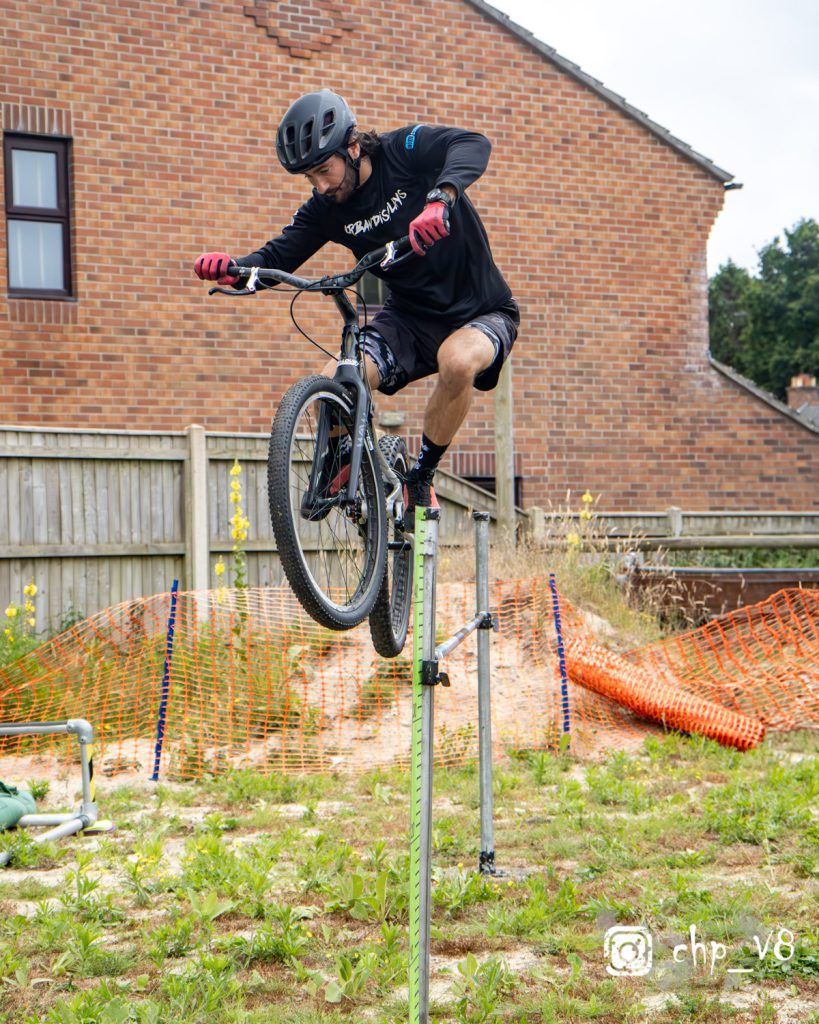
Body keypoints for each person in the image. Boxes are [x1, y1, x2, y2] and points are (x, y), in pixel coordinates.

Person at [195, 89, 518, 529]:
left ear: (352, 146)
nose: (321, 186)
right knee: (336, 379)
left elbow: (472, 143)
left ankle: (421, 476)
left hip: (482, 310)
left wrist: (441, 198)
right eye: (310, 178)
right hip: (408, 318)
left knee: (457, 361)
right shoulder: (327, 209)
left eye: (324, 170)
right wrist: (233, 269)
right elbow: (277, 257)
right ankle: (357, 462)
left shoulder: (402, 151)